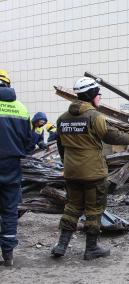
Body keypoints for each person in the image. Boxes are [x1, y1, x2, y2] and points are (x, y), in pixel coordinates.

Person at [51, 77, 129, 260]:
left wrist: (69, 164)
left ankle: (61, 246)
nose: (100, 97)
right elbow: (113, 137)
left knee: (72, 208)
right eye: (98, 94)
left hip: (72, 173)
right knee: (94, 210)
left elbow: (61, 146)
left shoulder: (62, 119)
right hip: (93, 173)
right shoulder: (95, 117)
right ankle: (91, 248)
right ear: (92, 95)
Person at [0, 69, 32, 266]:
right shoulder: (21, 108)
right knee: (10, 211)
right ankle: (8, 254)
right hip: (11, 166)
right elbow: (29, 143)